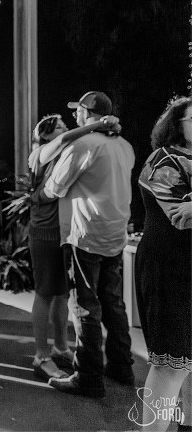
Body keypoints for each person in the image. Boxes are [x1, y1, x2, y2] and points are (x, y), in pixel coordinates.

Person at [44, 91, 136, 398]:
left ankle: (88, 376)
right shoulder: (124, 146)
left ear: (88, 113)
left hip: (87, 236)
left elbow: (54, 187)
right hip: (116, 236)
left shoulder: (83, 144)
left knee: (84, 306)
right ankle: (122, 367)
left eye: (78, 111)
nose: (75, 116)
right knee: (113, 304)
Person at [27, 113, 121, 380]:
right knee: (45, 292)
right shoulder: (41, 153)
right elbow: (68, 139)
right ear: (45, 135)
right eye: (59, 127)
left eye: (65, 125)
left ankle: (60, 347)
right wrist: (98, 124)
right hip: (45, 234)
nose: (66, 129)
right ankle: (41, 356)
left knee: (60, 294)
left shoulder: (64, 157)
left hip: (63, 233)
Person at [135, 96, 191, 431]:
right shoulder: (164, 160)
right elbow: (181, 216)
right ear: (177, 123)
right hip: (169, 268)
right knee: (172, 361)